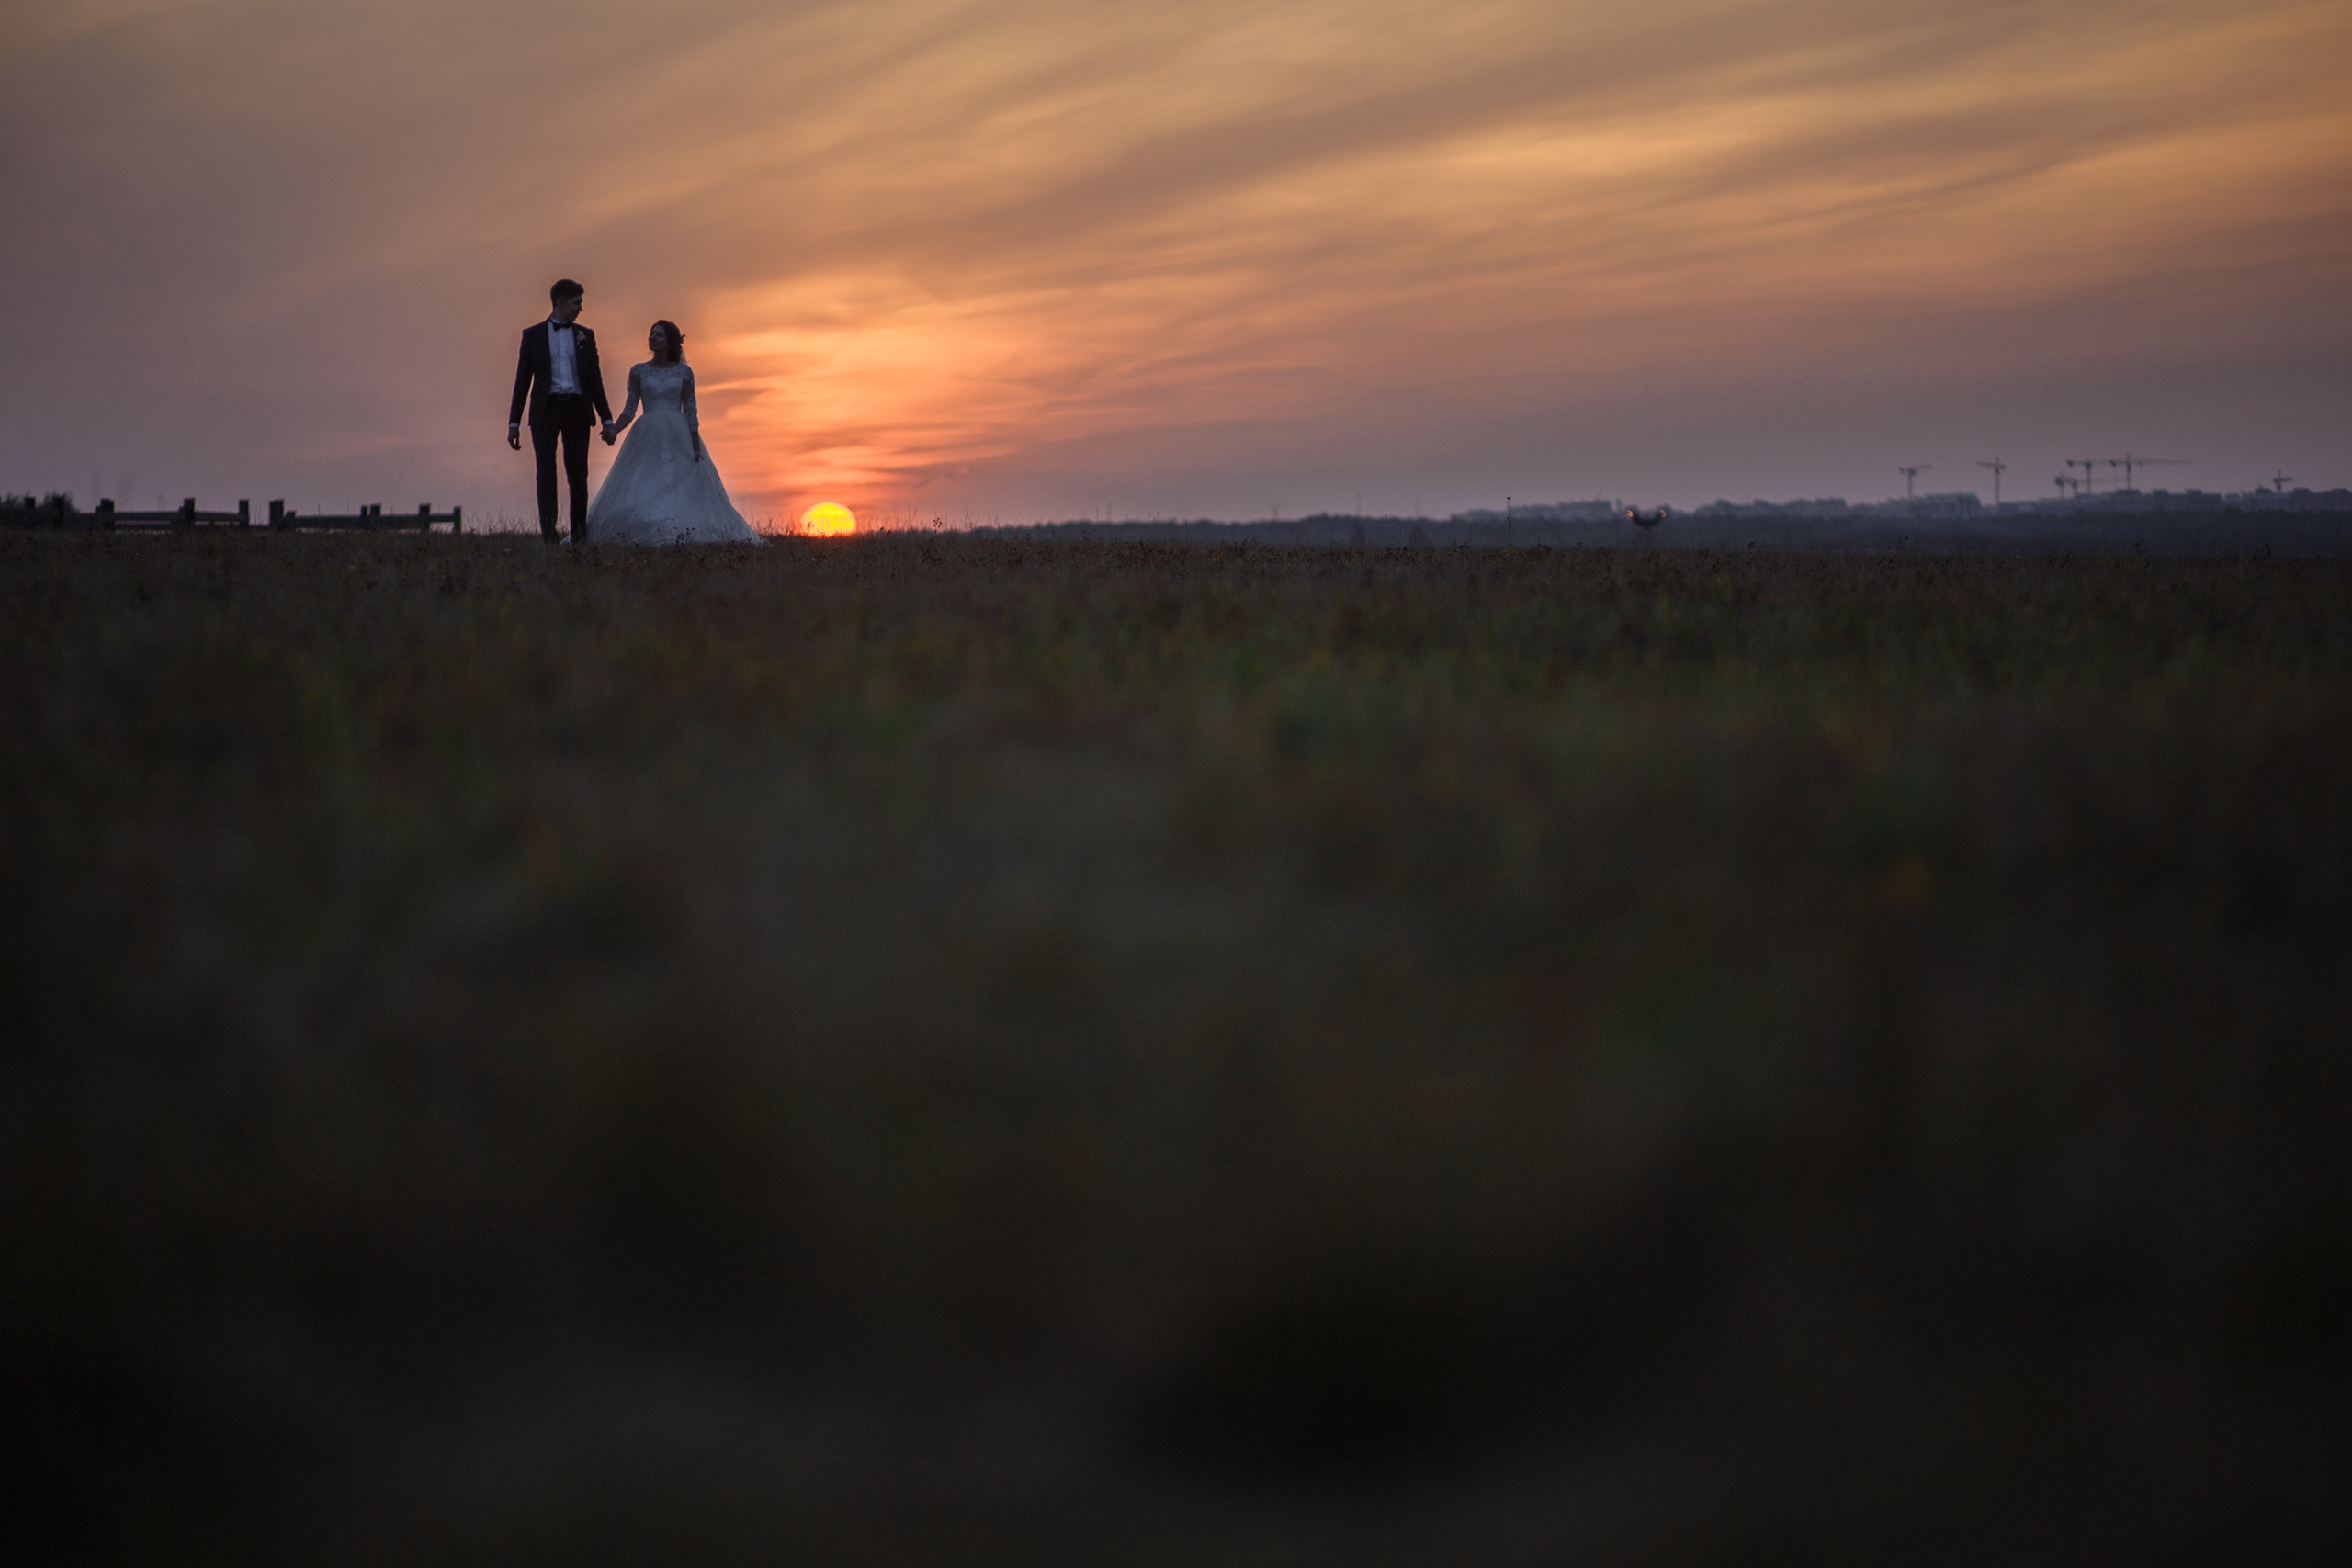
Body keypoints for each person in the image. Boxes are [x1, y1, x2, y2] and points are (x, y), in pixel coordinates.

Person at [584, 320, 760, 546]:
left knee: (678, 482)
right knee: (646, 480)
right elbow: (629, 410)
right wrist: (614, 430)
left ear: (671, 342)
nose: (653, 338)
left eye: (659, 335)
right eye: (651, 334)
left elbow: (691, 410)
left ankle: (681, 527)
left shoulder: (683, 372)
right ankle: (642, 525)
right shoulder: (638, 371)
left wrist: (695, 446)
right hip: (647, 432)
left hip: (678, 432)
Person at [508, 279, 615, 543]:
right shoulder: (532, 336)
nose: (581, 309)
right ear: (560, 302)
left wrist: (606, 418)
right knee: (545, 473)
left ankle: (579, 535)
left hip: (577, 409)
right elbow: (523, 381)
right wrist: (514, 423)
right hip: (545, 410)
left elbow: (595, 379)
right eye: (577, 303)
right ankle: (549, 536)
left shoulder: (585, 335)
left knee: (578, 474)